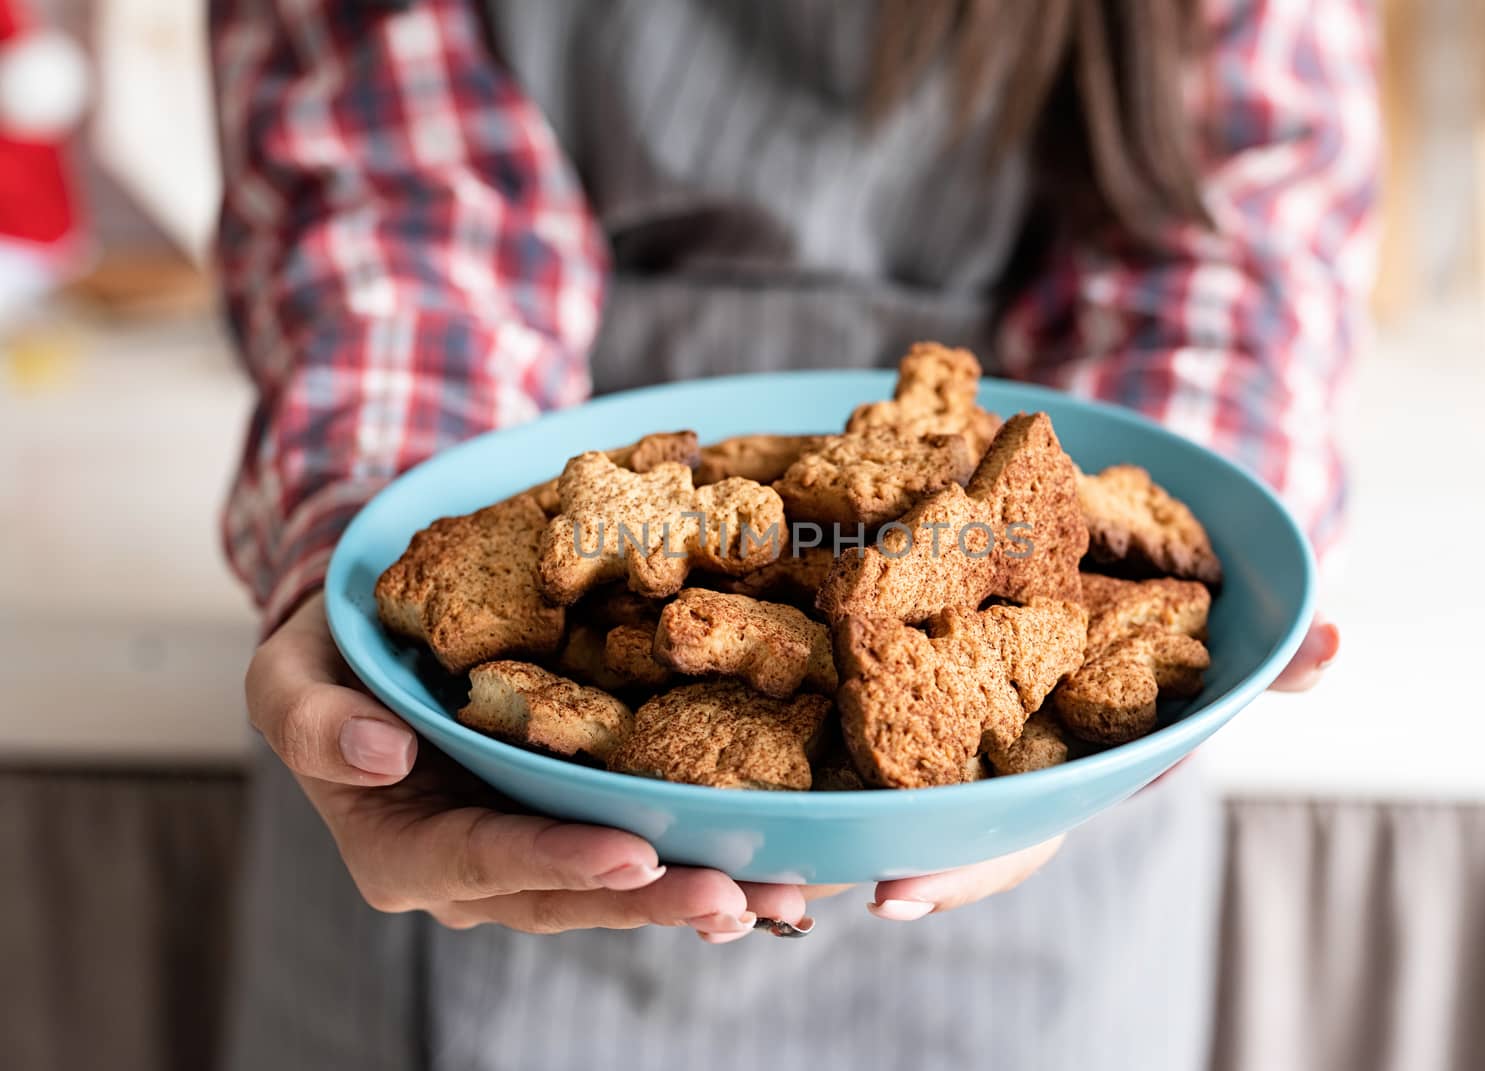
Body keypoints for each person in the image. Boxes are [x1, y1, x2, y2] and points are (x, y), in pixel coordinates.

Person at [215, 1, 1366, 1067]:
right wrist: (380, 519)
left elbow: (1236, 237)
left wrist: (1169, 503)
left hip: (1038, 864)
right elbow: (397, 206)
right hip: (479, 777)